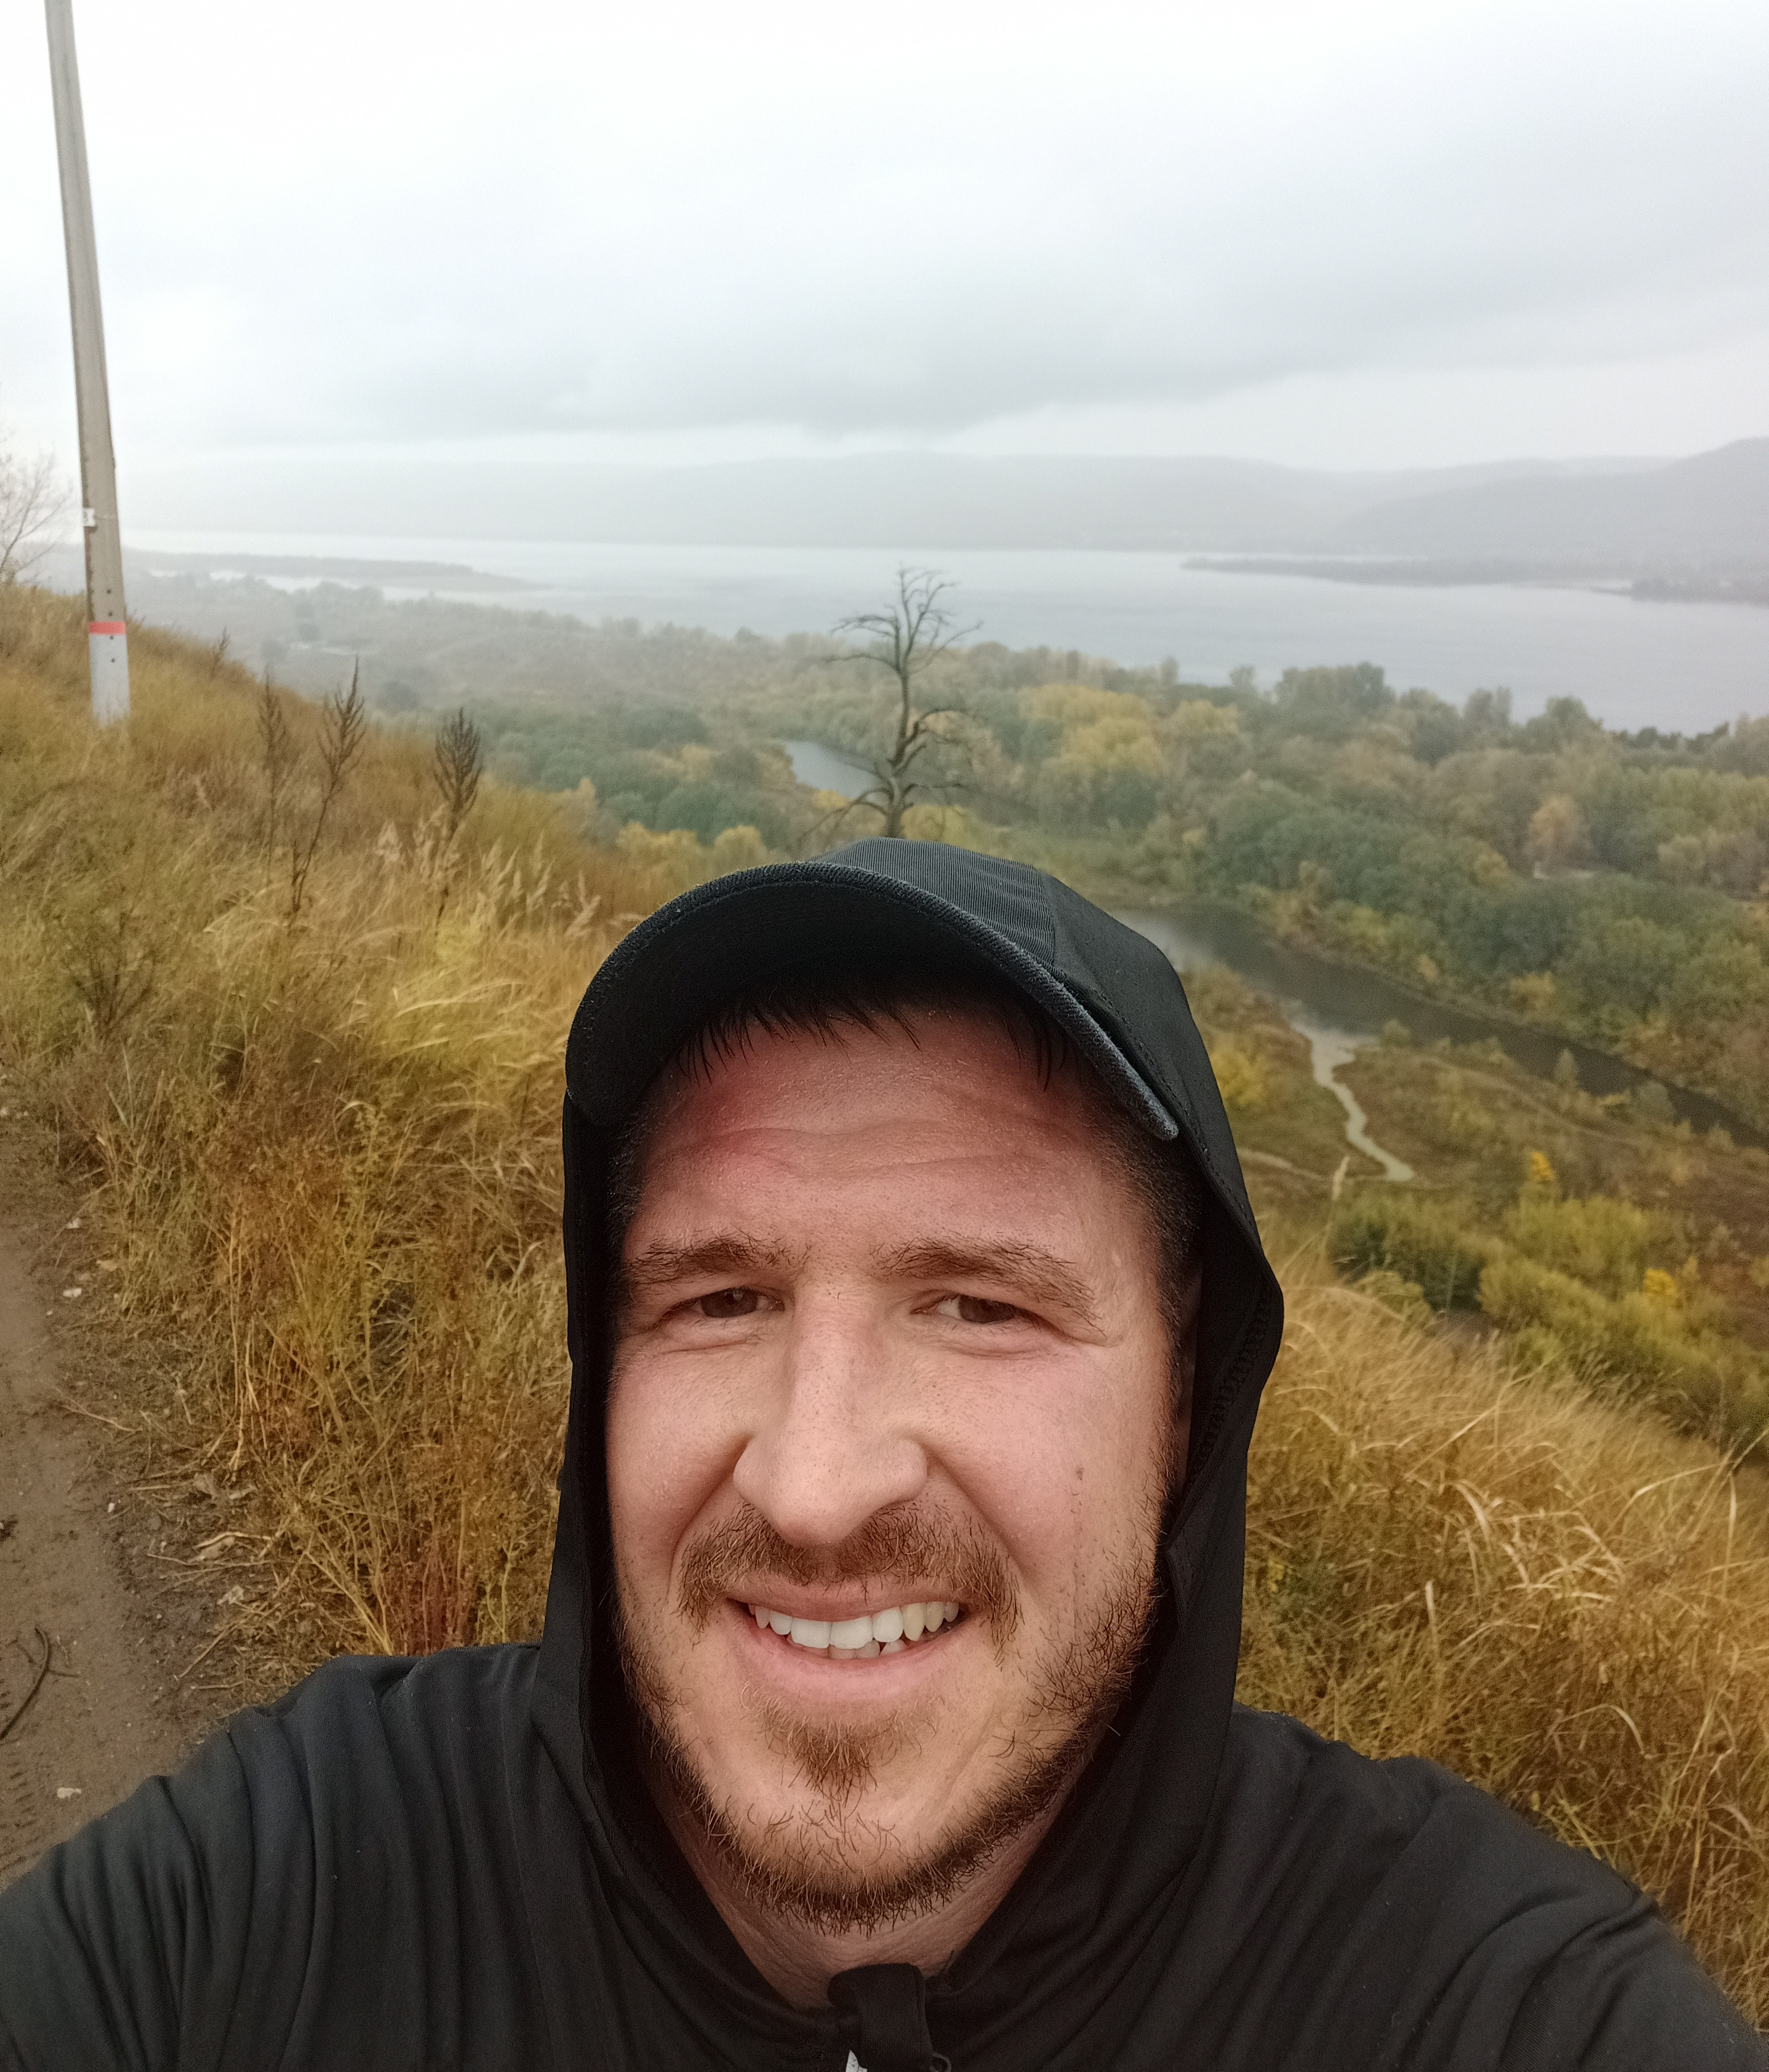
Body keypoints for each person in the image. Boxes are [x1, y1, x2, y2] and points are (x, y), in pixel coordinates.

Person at [0, 838, 1759, 2070]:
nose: (814, 1484)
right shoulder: (275, 1898)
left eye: (980, 1306)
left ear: (1187, 1408)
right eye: (719, 1300)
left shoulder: (1488, 2009)